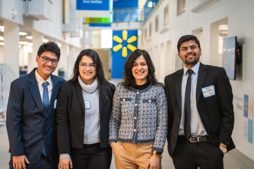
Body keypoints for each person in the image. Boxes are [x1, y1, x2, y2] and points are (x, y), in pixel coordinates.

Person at [164, 34, 235, 169]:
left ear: (200, 50)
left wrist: (223, 142)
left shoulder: (216, 74)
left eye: (193, 47)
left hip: (210, 146)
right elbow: (170, 115)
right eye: (184, 48)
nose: (189, 51)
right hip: (181, 147)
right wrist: (172, 144)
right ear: (179, 54)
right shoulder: (171, 80)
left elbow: (227, 112)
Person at [6, 42, 64, 169]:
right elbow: (12, 121)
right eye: (46, 59)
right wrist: (17, 152)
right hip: (25, 154)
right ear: (37, 58)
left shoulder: (61, 85)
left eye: (54, 60)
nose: (49, 64)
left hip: (51, 156)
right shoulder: (19, 85)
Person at [56, 49, 115, 169]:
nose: (87, 69)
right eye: (83, 64)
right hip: (75, 150)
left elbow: (114, 118)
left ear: (97, 67)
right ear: (78, 66)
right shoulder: (67, 89)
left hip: (101, 150)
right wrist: (63, 153)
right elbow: (61, 122)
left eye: (92, 65)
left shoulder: (108, 88)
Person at [109, 49, 168, 169]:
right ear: (129, 68)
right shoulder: (120, 89)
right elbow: (114, 118)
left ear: (149, 66)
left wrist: (157, 153)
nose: (139, 68)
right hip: (123, 151)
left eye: (143, 64)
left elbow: (162, 124)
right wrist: (114, 144)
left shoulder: (158, 90)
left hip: (148, 151)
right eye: (134, 64)